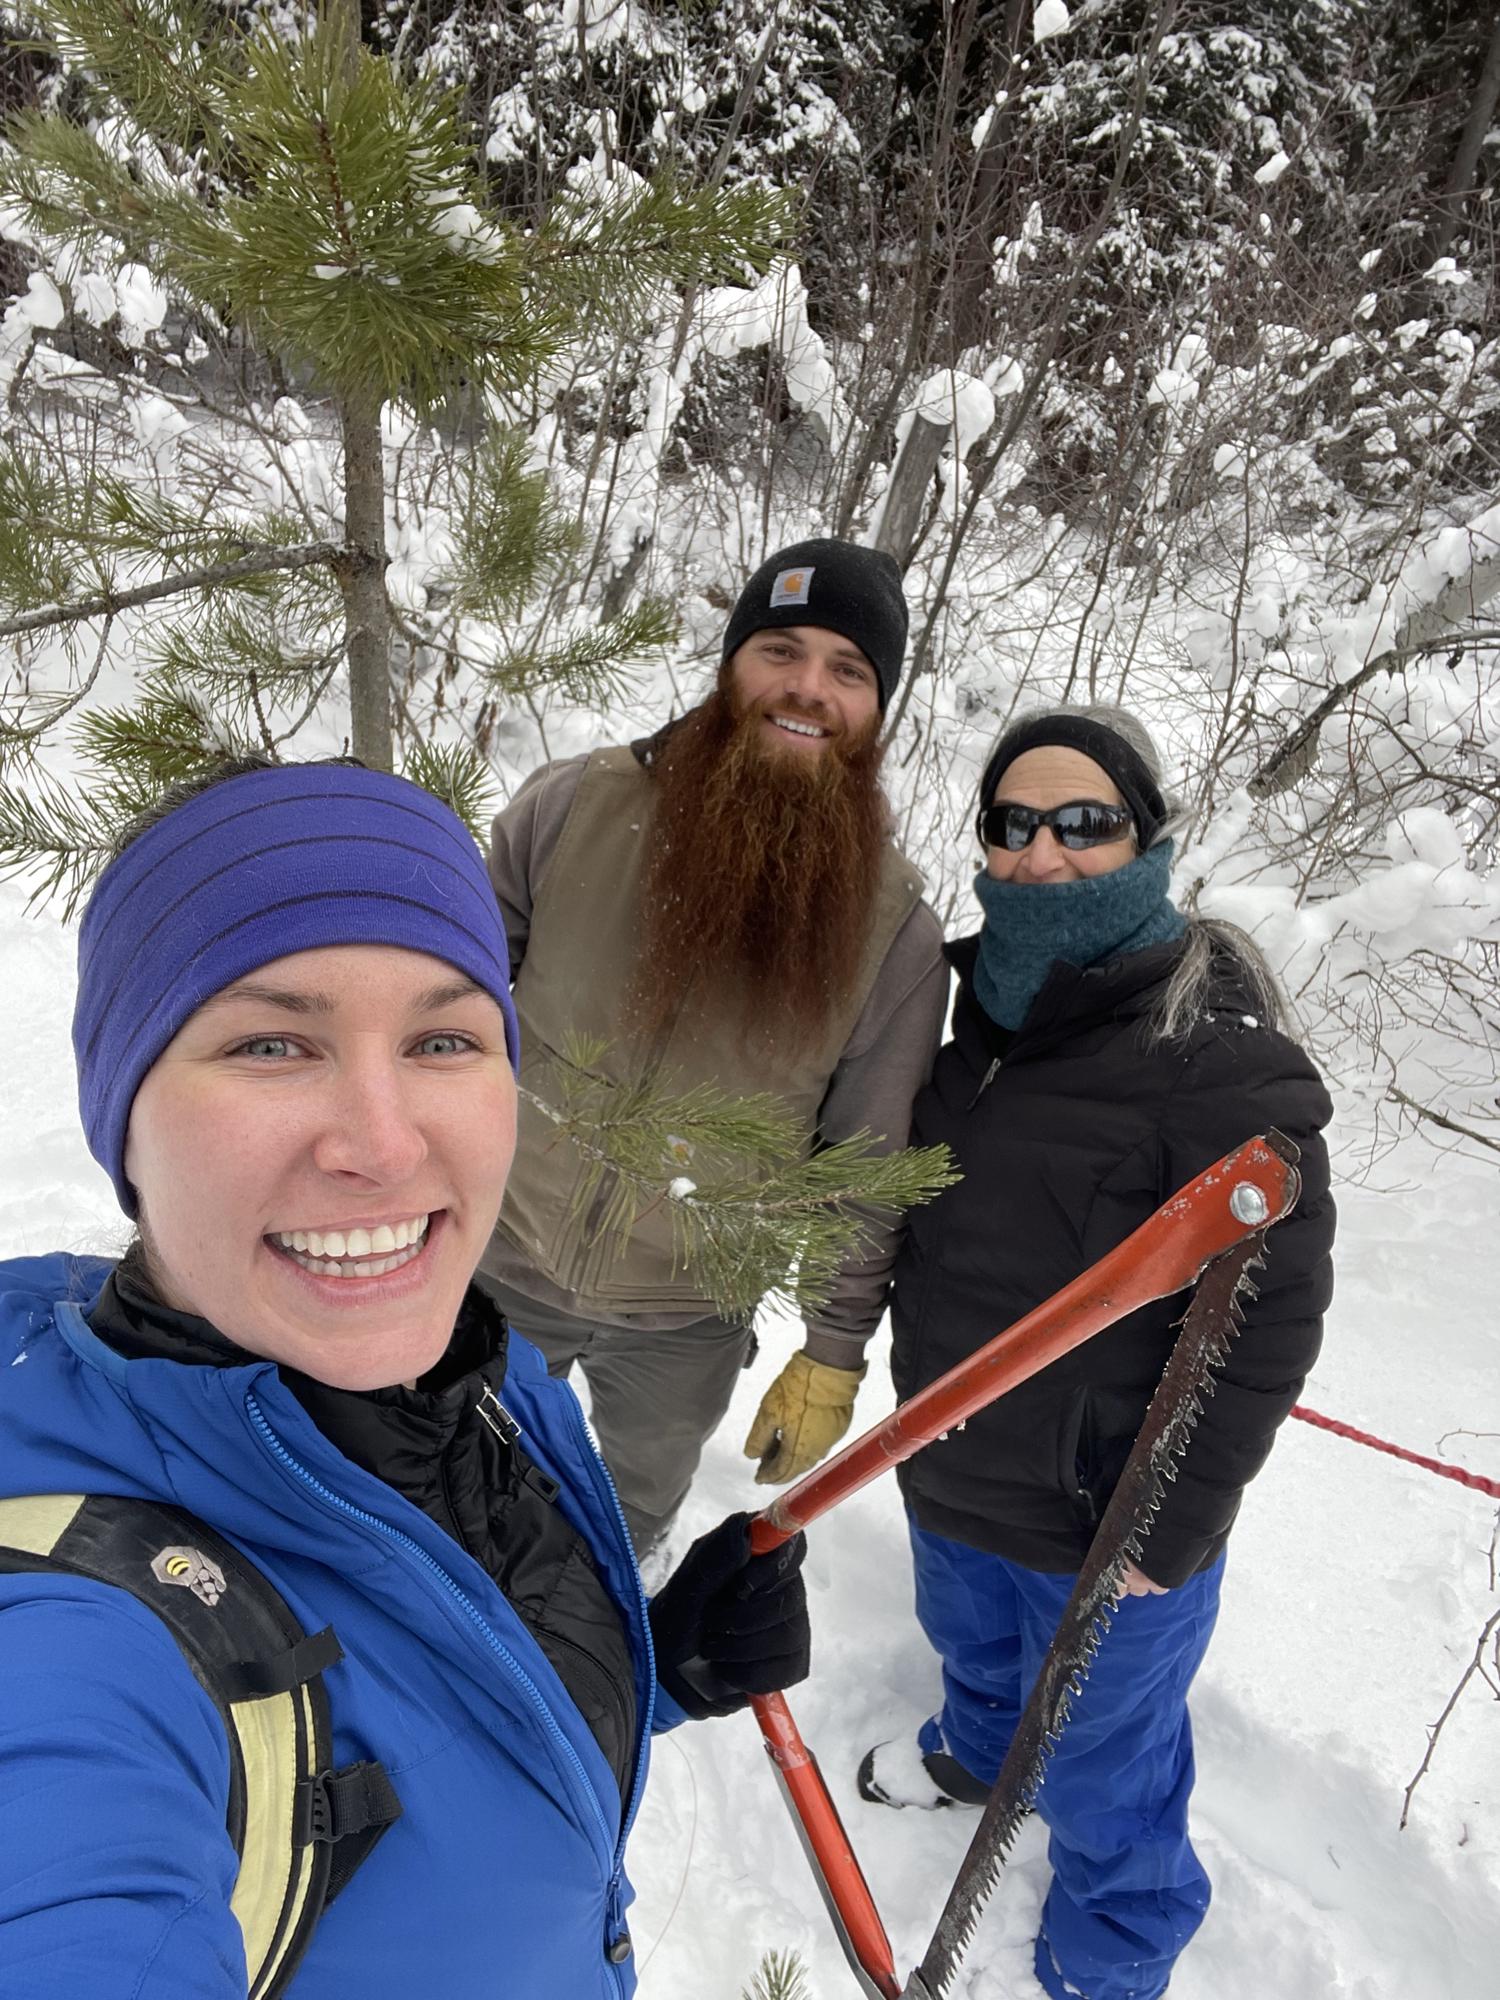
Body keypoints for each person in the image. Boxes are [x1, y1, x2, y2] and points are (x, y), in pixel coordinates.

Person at [0, 759, 810, 2000]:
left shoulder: (477, 1381)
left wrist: (653, 1669)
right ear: (125, 1115)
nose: (382, 1144)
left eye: (443, 1037)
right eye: (273, 1041)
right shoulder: (77, 1631)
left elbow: (416, 1702)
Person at [860, 707, 1336, 2000]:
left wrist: (1165, 1536)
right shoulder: (961, 1038)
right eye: (1013, 825)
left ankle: (1116, 1947)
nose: (1044, 853)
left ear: (1148, 839)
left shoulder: (1225, 1068)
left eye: (1085, 823)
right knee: (973, 1649)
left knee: (1105, 1767)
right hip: (952, 1466)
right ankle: (973, 1750)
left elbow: (1270, 1327)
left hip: (1107, 1520)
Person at [480, 537, 948, 1552]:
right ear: (733, 662)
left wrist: (832, 1351)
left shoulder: (895, 931)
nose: (807, 686)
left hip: (686, 1322)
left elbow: (864, 1172)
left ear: (876, 710)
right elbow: (438, 1014)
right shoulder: (574, 808)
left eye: (848, 669)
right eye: (780, 648)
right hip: (494, 1259)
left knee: (612, 1543)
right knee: (438, 1503)